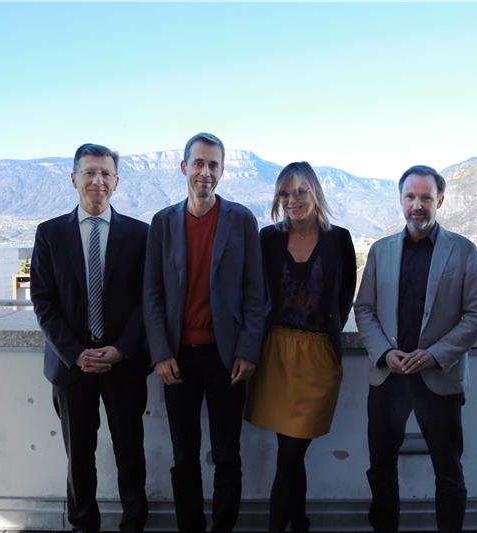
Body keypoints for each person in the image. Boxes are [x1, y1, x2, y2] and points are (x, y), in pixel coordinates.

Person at [354, 165, 477, 533]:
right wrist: (384, 353)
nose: (417, 204)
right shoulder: (380, 251)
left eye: (425, 197)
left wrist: (434, 355)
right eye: (410, 197)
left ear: (439, 201)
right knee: (380, 469)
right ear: (400, 200)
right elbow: (364, 308)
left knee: (449, 471)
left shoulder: (463, 251)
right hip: (388, 377)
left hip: (438, 378)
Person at [143, 132, 264, 533]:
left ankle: (224, 527)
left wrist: (248, 350)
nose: (205, 172)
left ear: (222, 171)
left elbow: (255, 292)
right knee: (184, 456)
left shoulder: (241, 220)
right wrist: (161, 353)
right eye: (198, 163)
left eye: (213, 165)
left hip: (227, 360)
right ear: (184, 167)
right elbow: (152, 295)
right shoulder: (163, 223)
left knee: (227, 454)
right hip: (178, 359)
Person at [31, 143, 149, 533]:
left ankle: (134, 524)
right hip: (71, 368)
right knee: (79, 457)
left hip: (124, 365)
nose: (98, 180)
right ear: (74, 178)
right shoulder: (49, 234)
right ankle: (83, 526)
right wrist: (75, 353)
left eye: (105, 173)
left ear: (116, 181)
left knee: (130, 453)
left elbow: (147, 301)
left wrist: (122, 349)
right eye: (89, 172)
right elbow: (43, 301)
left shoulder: (140, 234)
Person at [245, 162, 357, 533]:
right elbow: (254, 294)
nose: (292, 200)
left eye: (300, 191)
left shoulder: (339, 239)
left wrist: (325, 333)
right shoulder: (267, 238)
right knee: (289, 452)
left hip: (318, 358)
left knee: (292, 451)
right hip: (275, 355)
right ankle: (300, 521)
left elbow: (344, 295)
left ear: (315, 192)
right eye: (285, 193)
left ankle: (278, 526)